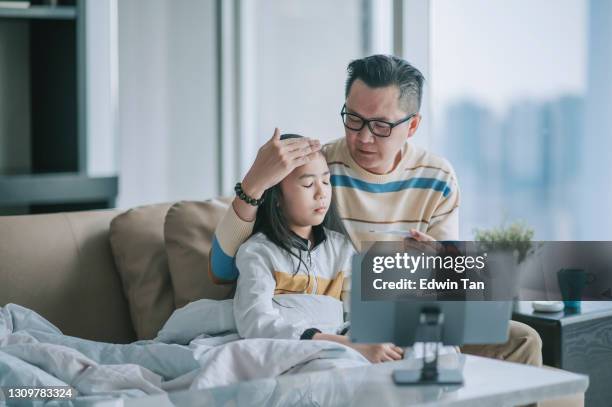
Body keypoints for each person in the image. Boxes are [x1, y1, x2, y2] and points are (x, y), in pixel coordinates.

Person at [210, 54, 542, 367]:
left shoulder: (438, 179)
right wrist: (252, 185)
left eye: (381, 126)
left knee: (524, 339)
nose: (363, 138)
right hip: (344, 326)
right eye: (353, 119)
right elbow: (223, 270)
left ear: (412, 126)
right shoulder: (322, 171)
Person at [233, 134, 404, 363]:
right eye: (308, 184)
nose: (321, 193)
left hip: (343, 351)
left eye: (325, 181)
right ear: (277, 198)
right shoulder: (259, 252)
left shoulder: (341, 248)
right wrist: (344, 344)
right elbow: (255, 320)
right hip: (284, 352)